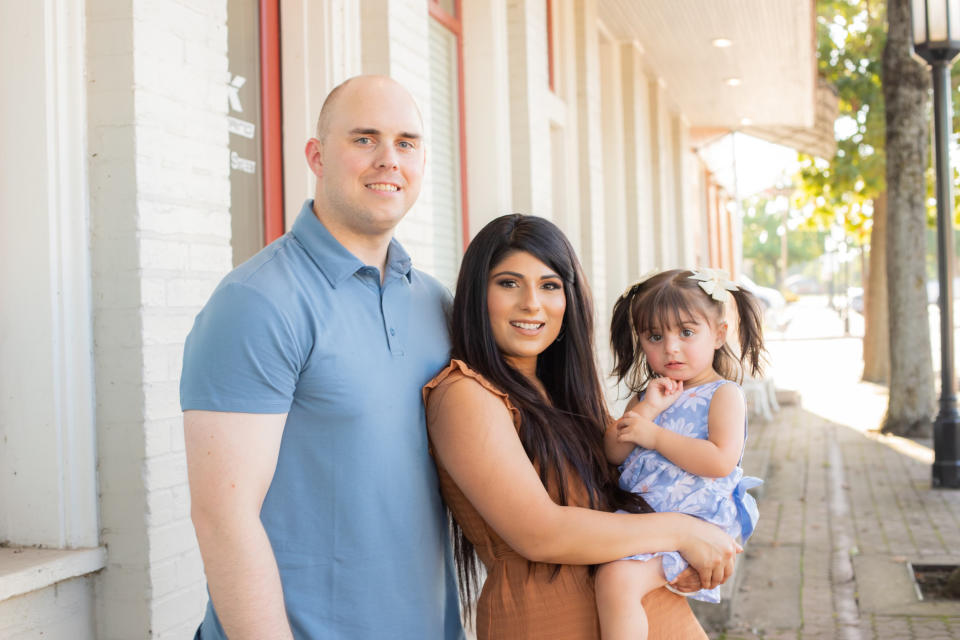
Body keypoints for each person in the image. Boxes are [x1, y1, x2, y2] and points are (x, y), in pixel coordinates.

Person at [180, 75, 463, 639]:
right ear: (316, 155)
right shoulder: (258, 302)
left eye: (406, 143)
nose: (389, 160)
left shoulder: (435, 302)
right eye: (364, 139)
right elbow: (223, 520)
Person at [424, 215, 741, 640]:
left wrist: (704, 545)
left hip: (656, 617)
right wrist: (685, 532)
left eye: (550, 285)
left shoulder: (561, 392)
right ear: (476, 296)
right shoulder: (464, 394)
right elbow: (540, 533)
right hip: (549, 623)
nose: (531, 303)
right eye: (508, 283)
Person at [595, 267, 766, 640]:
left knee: (616, 580)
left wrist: (655, 436)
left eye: (686, 332)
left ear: (719, 334)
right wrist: (648, 410)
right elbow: (612, 451)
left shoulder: (723, 395)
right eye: (655, 336)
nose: (670, 347)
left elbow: (720, 460)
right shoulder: (649, 396)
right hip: (646, 520)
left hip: (696, 520)